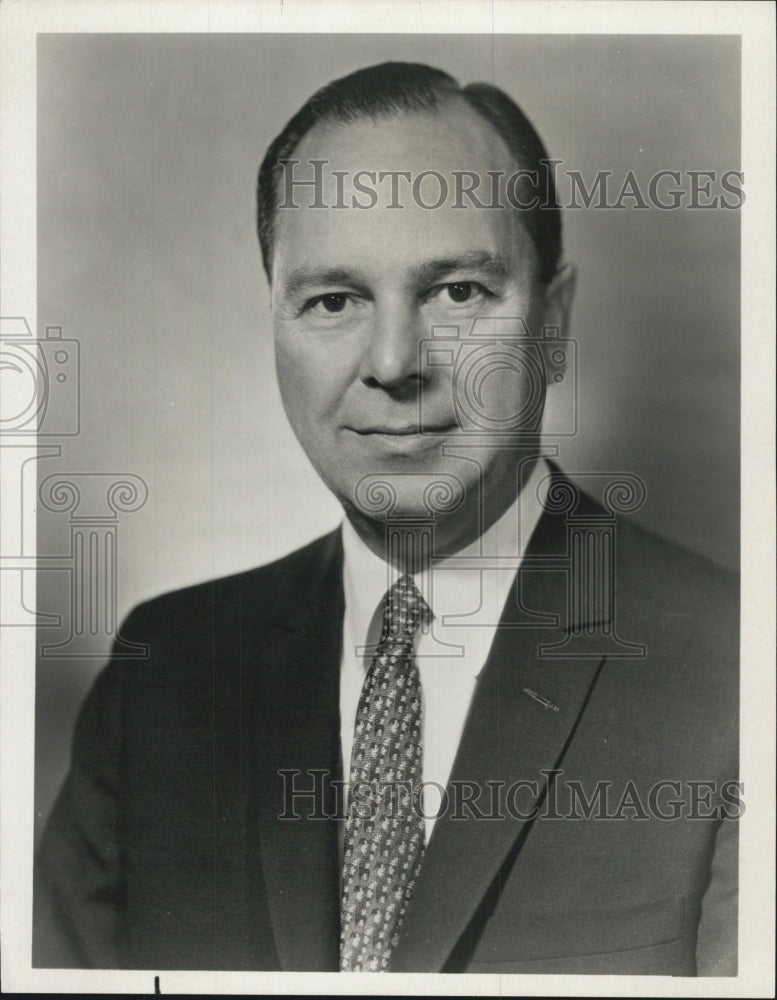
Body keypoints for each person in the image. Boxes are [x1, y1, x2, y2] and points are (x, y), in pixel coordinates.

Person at [33, 62, 738, 976]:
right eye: (334, 301)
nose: (394, 362)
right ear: (276, 327)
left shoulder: (732, 670)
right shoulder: (160, 675)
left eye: (456, 293)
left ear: (553, 325)